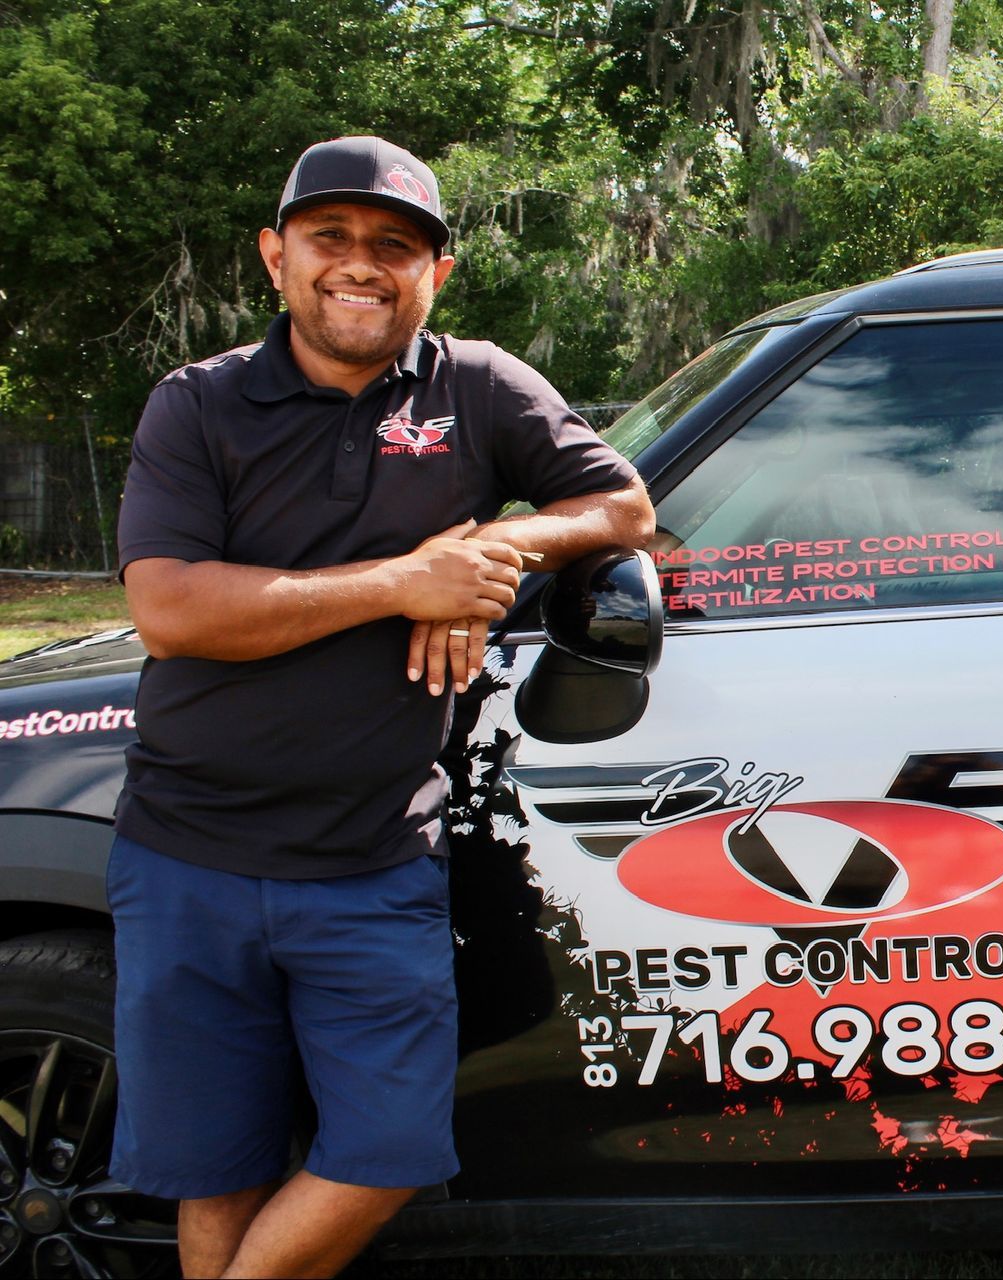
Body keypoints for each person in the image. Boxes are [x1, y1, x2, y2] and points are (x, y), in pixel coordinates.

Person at [109, 135, 654, 1279]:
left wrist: (492, 544)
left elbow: (621, 506)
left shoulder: (482, 386)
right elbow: (173, 608)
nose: (362, 265)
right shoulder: (196, 405)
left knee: (389, 1150)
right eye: (332, 238)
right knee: (217, 1163)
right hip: (188, 854)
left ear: (435, 273)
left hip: (372, 857)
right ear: (276, 256)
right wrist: (405, 583)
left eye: (395, 246)